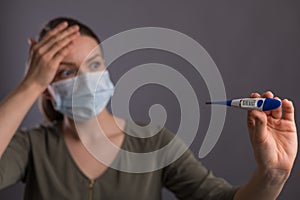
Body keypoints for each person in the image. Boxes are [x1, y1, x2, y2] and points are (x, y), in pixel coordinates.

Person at [0, 17, 297, 200]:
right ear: (46, 88)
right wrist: (29, 85)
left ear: (106, 69)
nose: (85, 80)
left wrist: (272, 174)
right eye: (65, 72)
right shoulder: (30, 148)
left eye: (93, 65)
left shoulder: (154, 144)